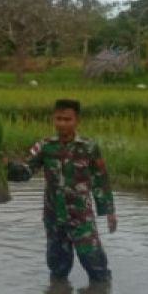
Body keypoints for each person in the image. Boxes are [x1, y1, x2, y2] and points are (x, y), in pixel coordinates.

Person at [25, 98, 117, 283]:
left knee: (94, 263)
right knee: (58, 267)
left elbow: (100, 180)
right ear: (53, 119)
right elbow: (27, 170)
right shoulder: (44, 146)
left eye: (67, 119)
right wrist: (6, 167)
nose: (62, 123)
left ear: (77, 121)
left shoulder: (88, 147)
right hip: (54, 215)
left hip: (80, 215)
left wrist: (109, 212)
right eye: (59, 119)